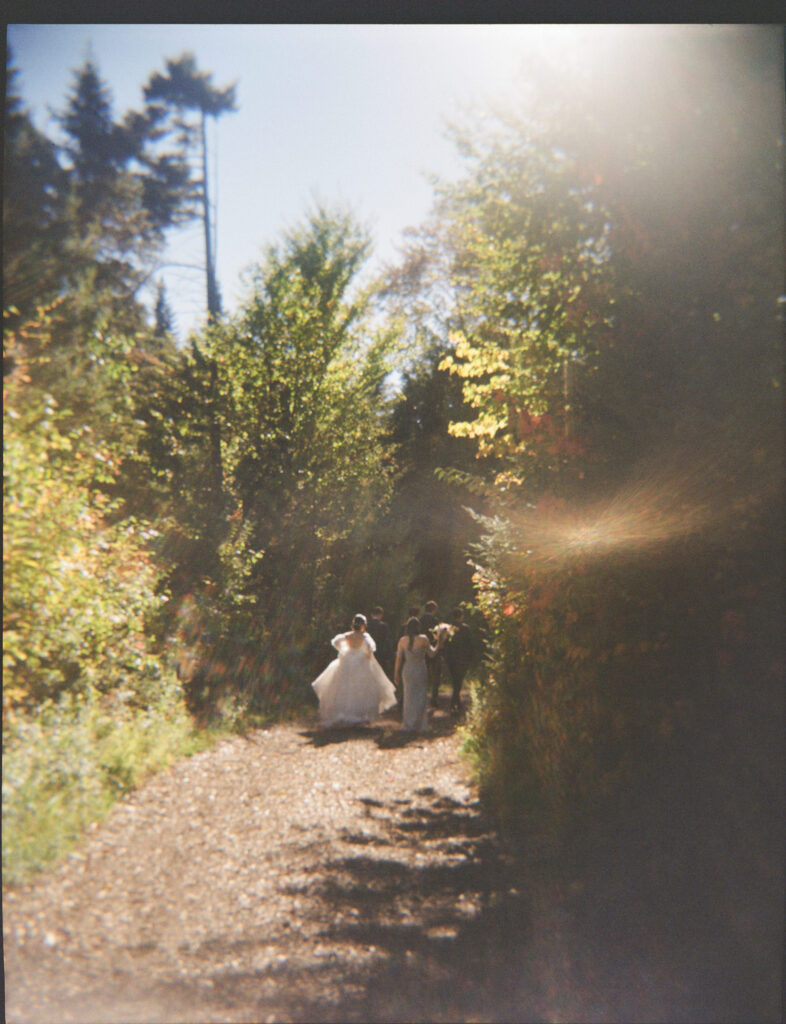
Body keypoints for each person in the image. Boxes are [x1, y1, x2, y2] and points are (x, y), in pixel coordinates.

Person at [311, 614, 397, 728]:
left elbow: (336, 643)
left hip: (347, 660)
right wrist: (365, 655)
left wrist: (344, 650)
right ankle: (358, 714)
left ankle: (344, 712)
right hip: (360, 661)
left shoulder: (346, 636)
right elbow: (370, 649)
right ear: (363, 625)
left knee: (343, 686)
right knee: (360, 688)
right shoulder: (365, 637)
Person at [394, 616, 445, 733]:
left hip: (408, 670)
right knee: (421, 696)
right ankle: (420, 723)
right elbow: (432, 654)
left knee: (408, 697)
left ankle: (408, 723)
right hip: (420, 669)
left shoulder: (402, 640)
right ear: (418, 627)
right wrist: (439, 641)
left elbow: (399, 659)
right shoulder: (424, 639)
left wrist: (396, 673)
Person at [444, 608, 474, 712]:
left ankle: (456, 702)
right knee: (459, 680)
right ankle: (455, 702)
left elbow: (446, 644)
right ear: (461, 616)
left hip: (451, 658)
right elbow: (470, 644)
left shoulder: (448, 628)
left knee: (455, 680)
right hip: (462, 658)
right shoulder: (466, 628)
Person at [419, 600, 442, 707]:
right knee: (436, 674)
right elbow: (438, 635)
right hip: (433, 648)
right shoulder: (435, 620)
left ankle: (421, 696)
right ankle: (434, 697)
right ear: (434, 610)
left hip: (421, 649)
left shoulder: (420, 620)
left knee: (423, 674)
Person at [366, 606, 392, 677]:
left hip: (369, 653)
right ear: (381, 615)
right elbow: (387, 641)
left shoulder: (366, 626)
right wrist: (388, 657)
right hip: (381, 653)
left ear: (371, 614)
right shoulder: (384, 626)